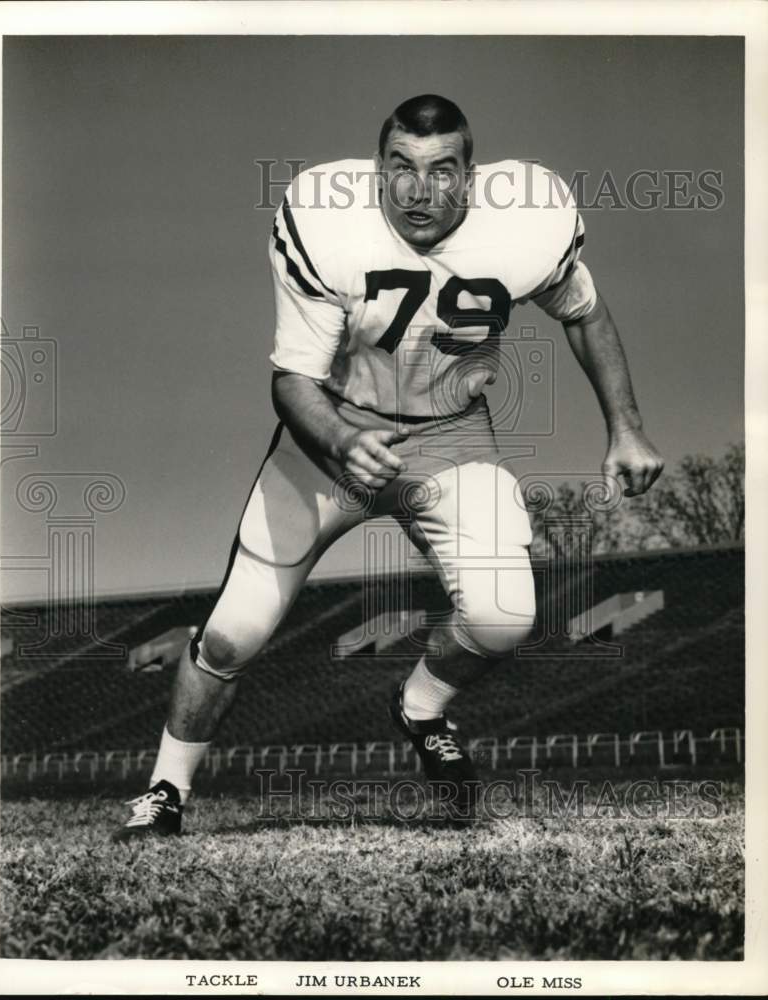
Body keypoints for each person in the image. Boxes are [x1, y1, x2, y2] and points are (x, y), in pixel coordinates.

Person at [113, 94, 663, 838]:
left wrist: (624, 428)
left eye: (441, 170)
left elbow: (583, 309)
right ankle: (165, 793)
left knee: (504, 617)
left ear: (471, 177)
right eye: (400, 167)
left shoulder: (529, 226)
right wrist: (341, 441)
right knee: (232, 635)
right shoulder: (325, 222)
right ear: (376, 172)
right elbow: (292, 383)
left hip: (451, 434)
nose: (418, 190)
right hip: (331, 435)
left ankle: (420, 708)